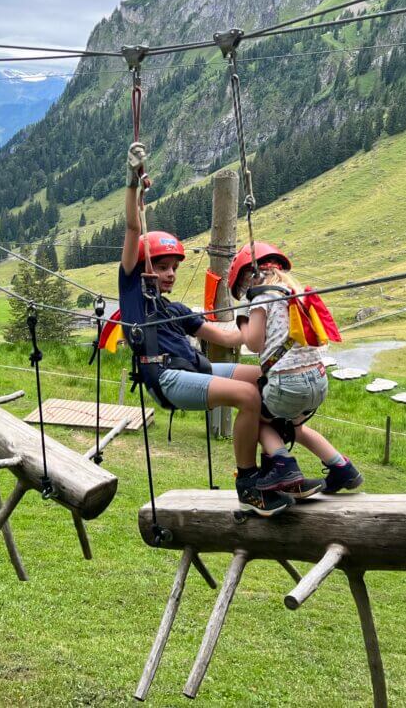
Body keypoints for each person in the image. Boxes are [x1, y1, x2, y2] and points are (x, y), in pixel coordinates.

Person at [120, 142, 305, 516]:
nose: (171, 273)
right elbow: (131, 227)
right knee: (248, 397)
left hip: (196, 369)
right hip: (167, 377)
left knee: (265, 378)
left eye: (175, 267)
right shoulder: (133, 296)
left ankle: (276, 464)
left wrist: (267, 317)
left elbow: (223, 336)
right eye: (164, 266)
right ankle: (248, 483)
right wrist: (131, 184)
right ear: (145, 265)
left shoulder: (174, 308)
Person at [228, 242, 363, 496]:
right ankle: (342, 467)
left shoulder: (262, 297)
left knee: (255, 419)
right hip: (318, 380)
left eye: (243, 289)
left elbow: (254, 342)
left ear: (249, 279)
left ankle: (282, 465)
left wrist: (243, 321)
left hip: (288, 383)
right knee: (296, 429)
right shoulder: (295, 293)